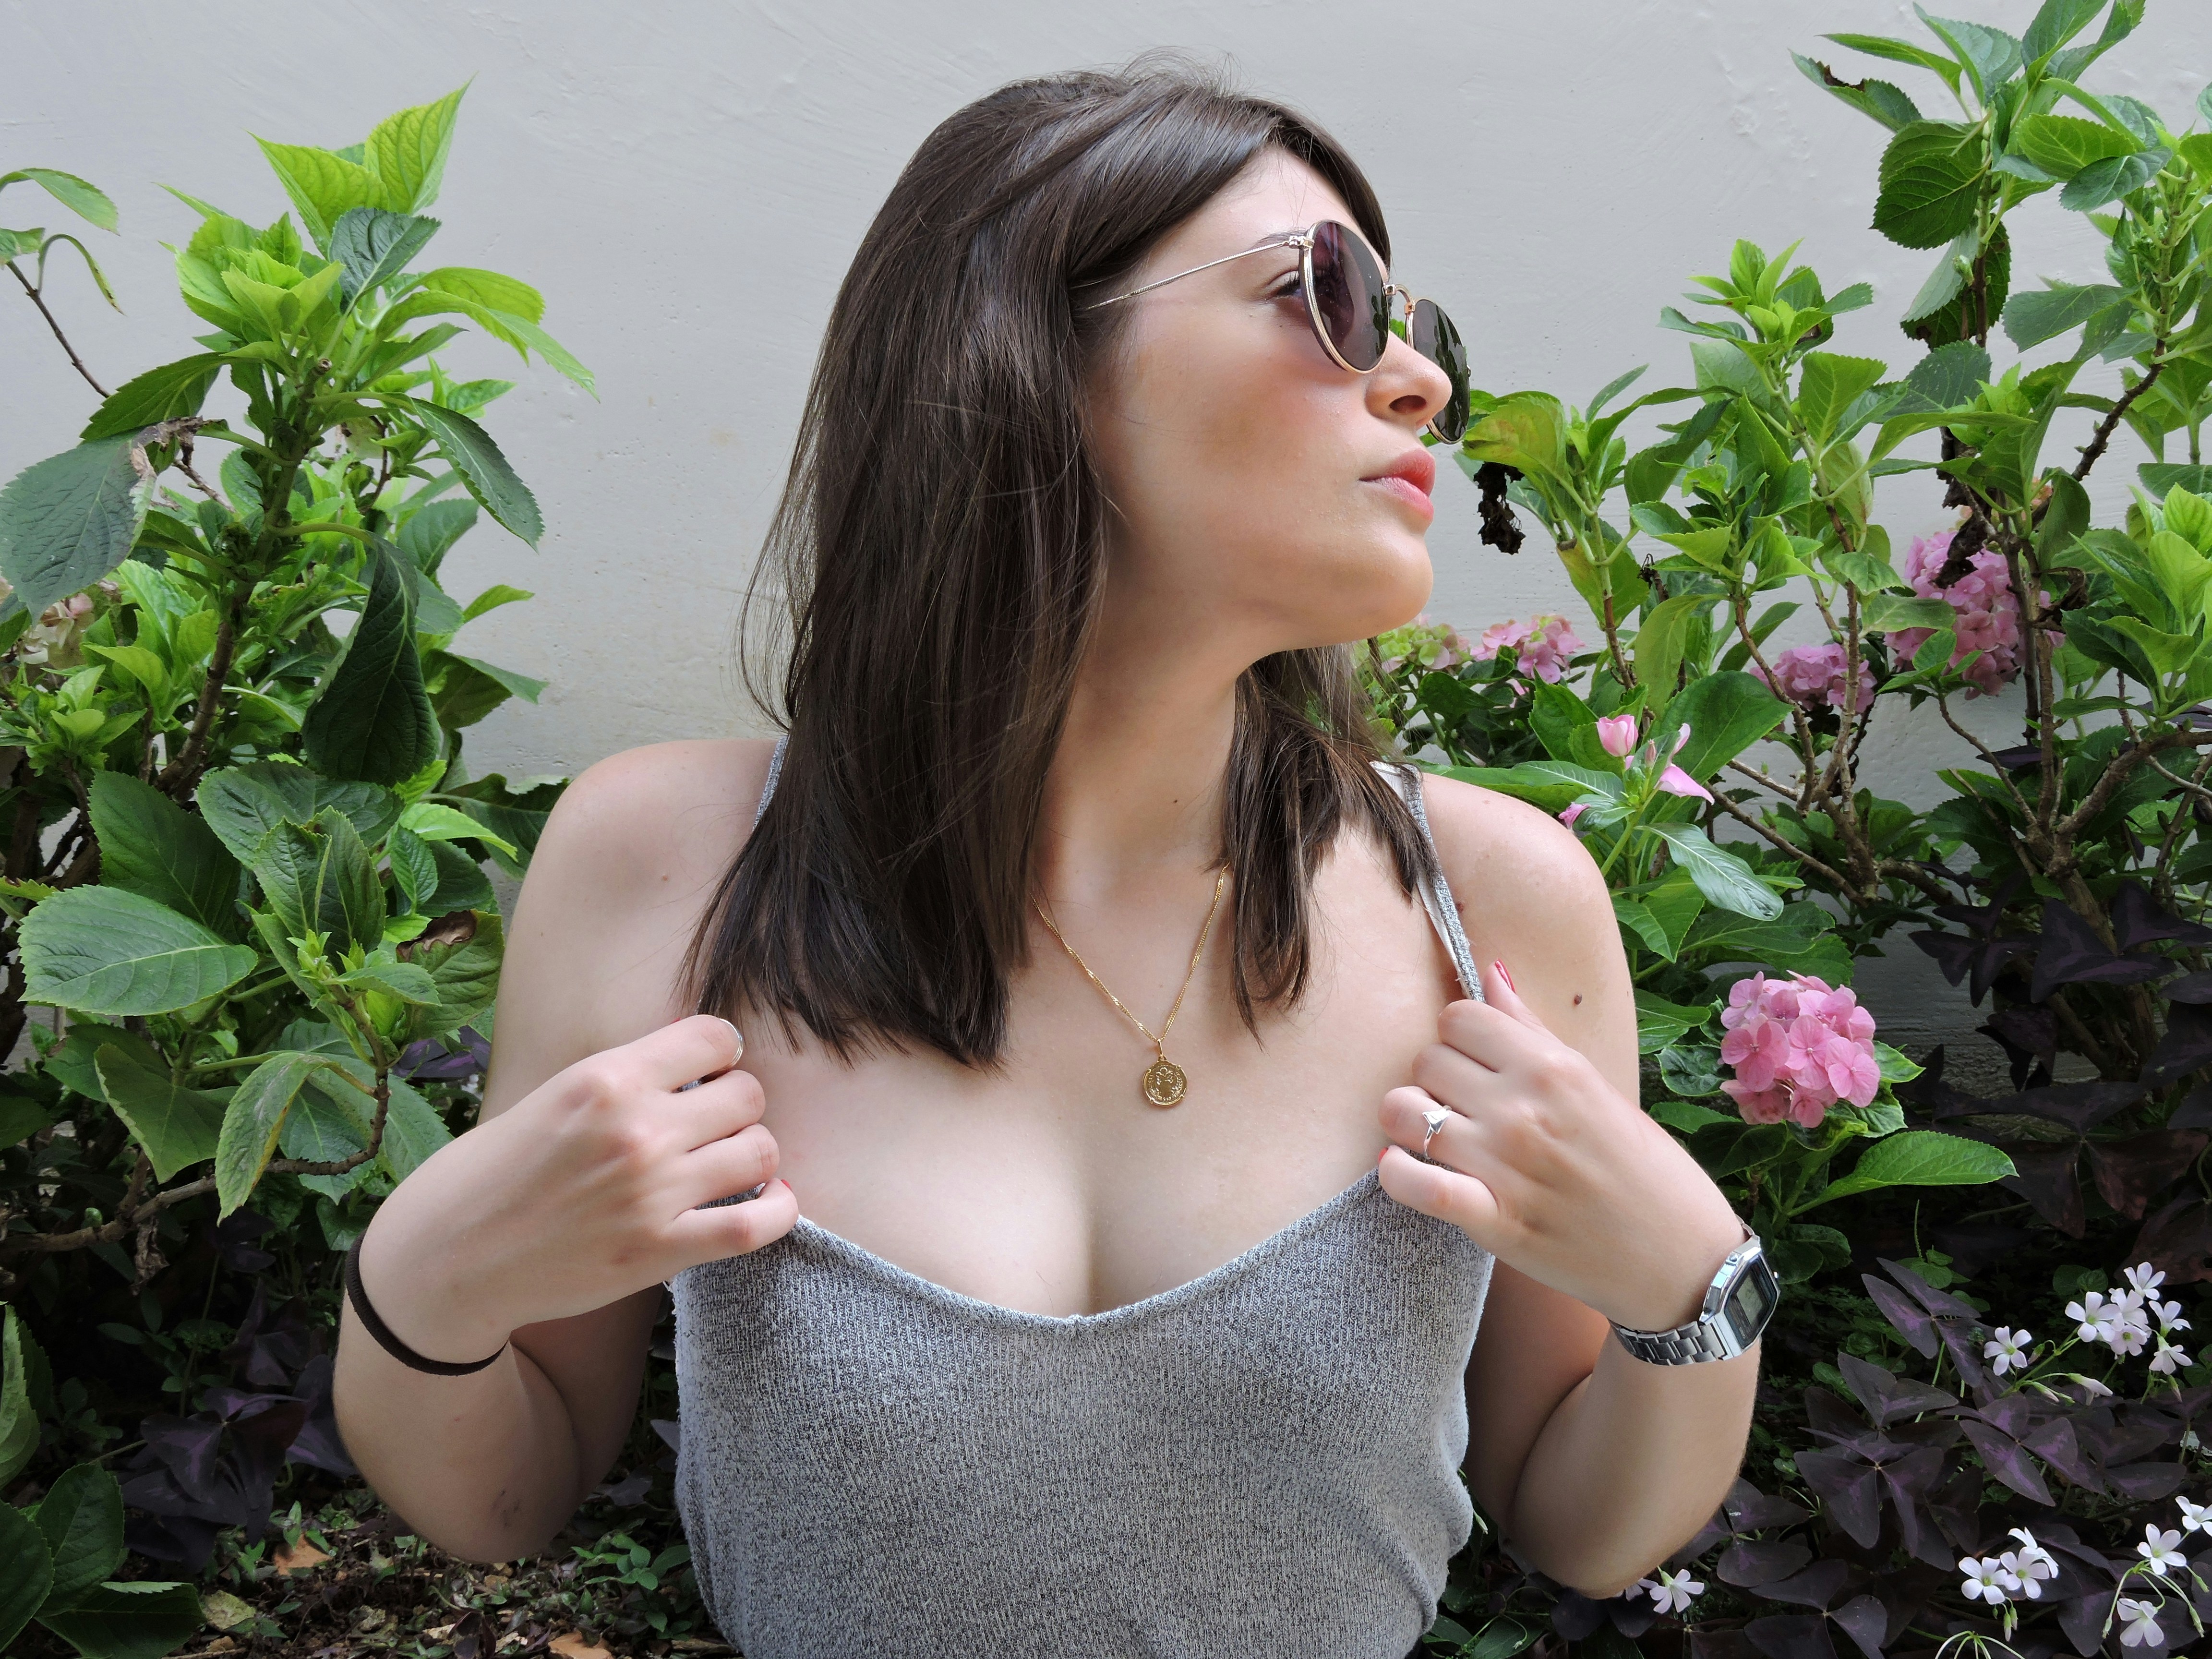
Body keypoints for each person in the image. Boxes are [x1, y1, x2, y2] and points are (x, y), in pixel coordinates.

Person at [333, 60, 1763, 1659]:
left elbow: (1580, 1527)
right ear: (1027, 349)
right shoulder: (664, 869)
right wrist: (426, 1281)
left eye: (1424, 331)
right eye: (1333, 297)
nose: (1420, 381)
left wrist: (1694, 1292)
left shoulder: (1485, 909)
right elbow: (504, 1501)